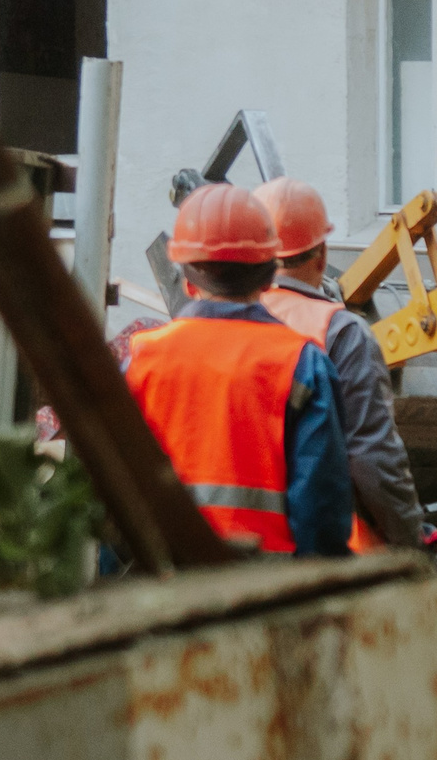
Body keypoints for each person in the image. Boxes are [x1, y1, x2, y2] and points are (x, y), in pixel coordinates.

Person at [123, 182, 353, 558]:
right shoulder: (302, 363)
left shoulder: (140, 358)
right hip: (267, 594)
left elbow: (111, 490)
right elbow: (320, 511)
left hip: (158, 584)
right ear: (268, 278)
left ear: (187, 282)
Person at [249, 177, 432, 553]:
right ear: (322, 255)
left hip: (233, 548)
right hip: (326, 554)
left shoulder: (223, 323)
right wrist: (412, 539)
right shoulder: (340, 331)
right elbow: (372, 457)